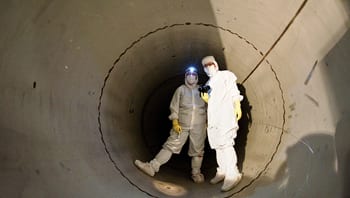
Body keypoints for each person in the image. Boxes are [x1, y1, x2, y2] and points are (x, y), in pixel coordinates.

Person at [134, 67, 207, 183]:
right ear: (185, 76)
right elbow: (174, 106)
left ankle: (196, 174)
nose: (191, 76)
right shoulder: (181, 90)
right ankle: (152, 167)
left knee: (198, 151)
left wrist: (208, 121)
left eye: (193, 74)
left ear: (197, 77)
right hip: (182, 125)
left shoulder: (203, 89)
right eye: (189, 74)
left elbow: (211, 104)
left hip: (199, 126)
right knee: (171, 146)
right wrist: (175, 121)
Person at [200, 55, 243, 191]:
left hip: (225, 115)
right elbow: (208, 101)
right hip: (214, 118)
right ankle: (222, 171)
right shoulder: (207, 84)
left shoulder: (226, 75)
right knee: (218, 145)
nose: (208, 67)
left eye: (210, 64)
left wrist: (237, 105)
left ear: (216, 64)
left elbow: (233, 90)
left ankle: (233, 174)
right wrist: (205, 98)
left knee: (226, 143)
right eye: (205, 66)